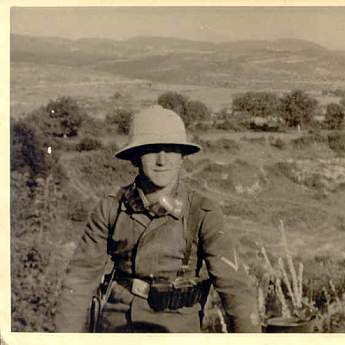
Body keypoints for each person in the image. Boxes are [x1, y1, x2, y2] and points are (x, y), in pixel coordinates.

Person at [55, 105, 261, 333]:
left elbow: (235, 290)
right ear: (134, 158)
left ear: (182, 156)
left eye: (171, 149)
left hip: (177, 327)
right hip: (118, 326)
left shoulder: (202, 212)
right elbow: (79, 281)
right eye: (151, 149)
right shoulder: (111, 208)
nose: (162, 160)